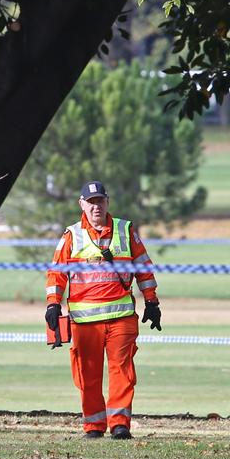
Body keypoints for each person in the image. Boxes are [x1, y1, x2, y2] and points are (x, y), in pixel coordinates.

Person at [45, 181, 160, 440]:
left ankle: (120, 425)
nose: (96, 207)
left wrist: (151, 301)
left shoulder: (126, 230)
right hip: (85, 322)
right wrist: (53, 303)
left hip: (121, 319)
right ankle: (94, 426)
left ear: (107, 202)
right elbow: (56, 273)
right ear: (82, 204)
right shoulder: (71, 235)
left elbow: (143, 267)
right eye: (91, 202)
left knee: (122, 372)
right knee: (87, 375)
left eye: (100, 201)